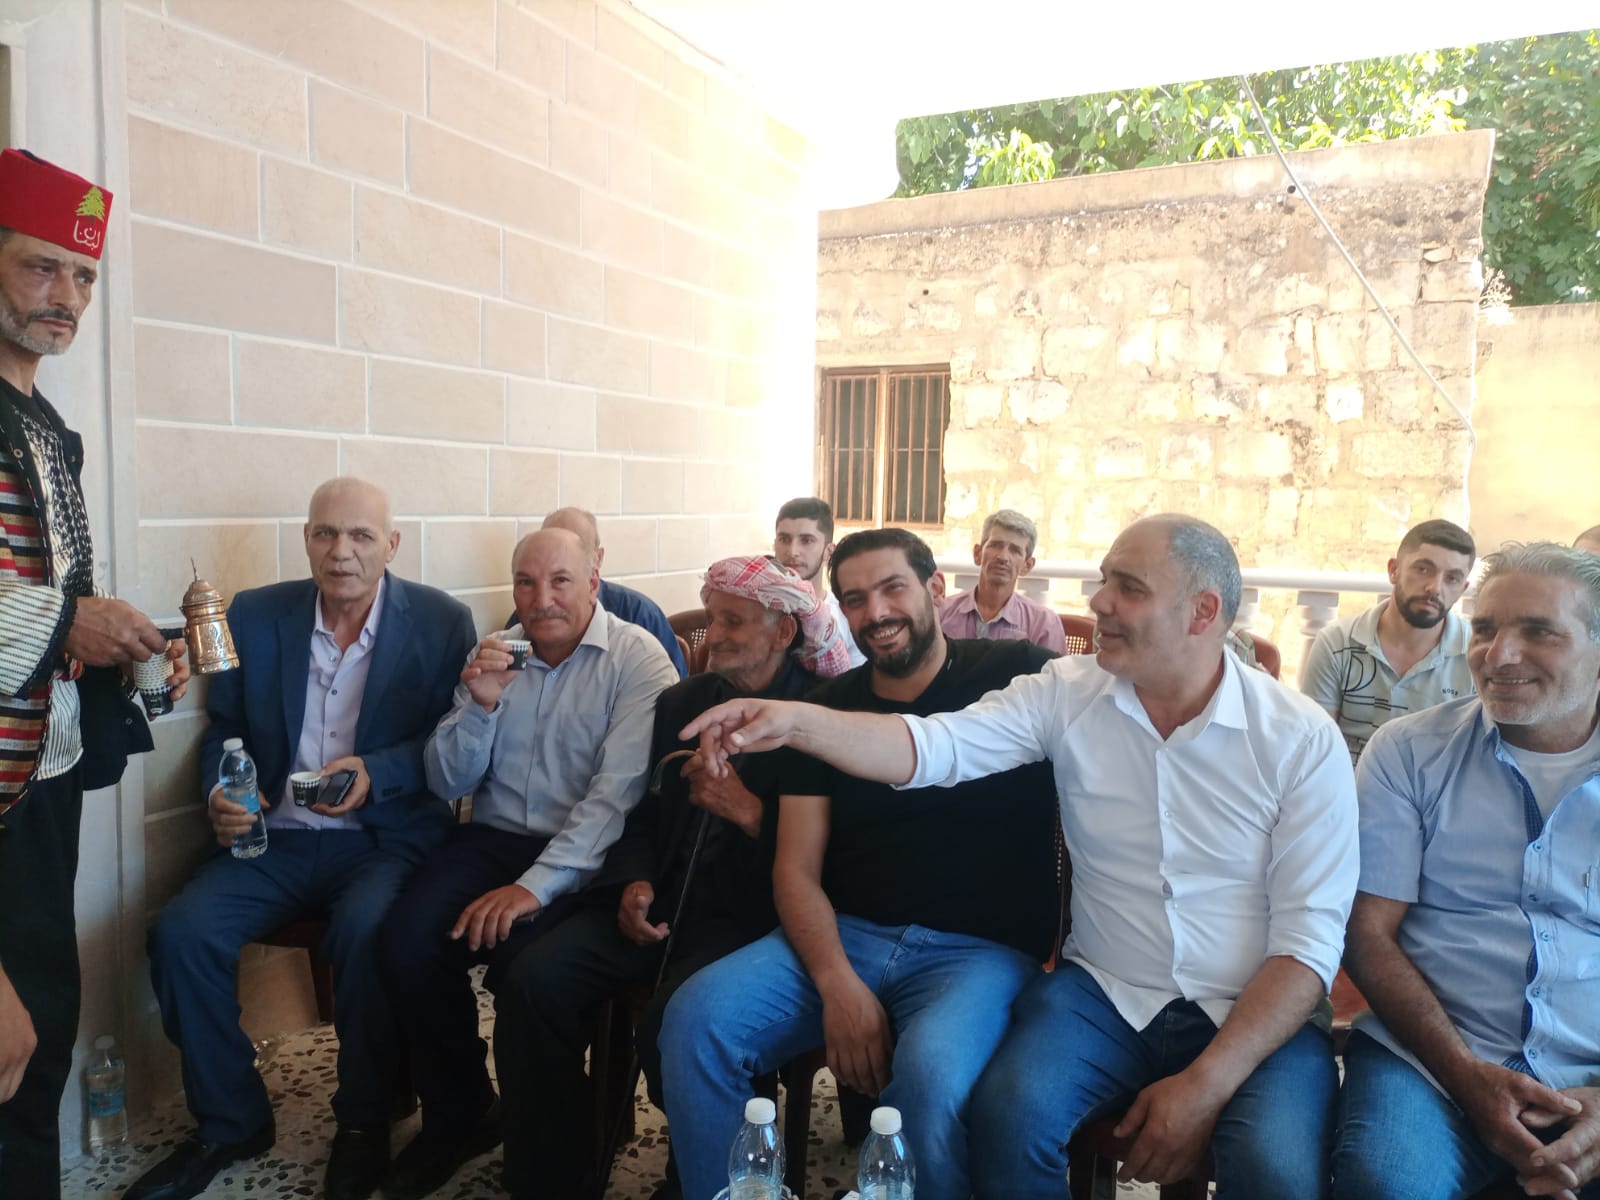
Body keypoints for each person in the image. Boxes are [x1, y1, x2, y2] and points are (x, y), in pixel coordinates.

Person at [683, 514, 1358, 1198]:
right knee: (1007, 1117)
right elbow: (934, 747)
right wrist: (794, 719)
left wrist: (1205, 1085)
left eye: (1128, 588)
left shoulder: (1299, 741)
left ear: (1202, 612)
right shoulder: (1068, 694)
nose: (1099, 602)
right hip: (1108, 995)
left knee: (1276, 1170)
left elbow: (1307, 947)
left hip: (1251, 1010)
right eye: (1104, 581)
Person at [662, 529, 1060, 1200]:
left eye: (892, 588)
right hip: (847, 933)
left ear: (936, 588)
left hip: (980, 953)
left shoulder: (1017, 673)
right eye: (853, 599)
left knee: (931, 1075)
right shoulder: (823, 712)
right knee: (695, 1021)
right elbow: (795, 868)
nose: (875, 612)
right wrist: (838, 984)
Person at [123, 478, 475, 1200]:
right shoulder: (256, 614)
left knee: (367, 931)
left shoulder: (443, 621)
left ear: (392, 545)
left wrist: (379, 772)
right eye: (325, 533)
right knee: (182, 933)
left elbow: (455, 741)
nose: (341, 552)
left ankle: (364, 1121)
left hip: (380, 839)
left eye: (361, 536)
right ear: (306, 538)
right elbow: (225, 728)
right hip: (273, 838)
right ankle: (231, 1120)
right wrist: (221, 793)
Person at [491, 555, 849, 1200]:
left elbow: (842, 854)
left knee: (676, 1019)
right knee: (533, 980)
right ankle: (552, 1175)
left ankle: (703, 1178)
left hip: (754, 919)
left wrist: (747, 811)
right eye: (713, 618)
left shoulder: (822, 714)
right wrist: (632, 884)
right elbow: (642, 812)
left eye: (734, 621)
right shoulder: (684, 700)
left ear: (783, 632)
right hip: (659, 901)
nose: (715, 635)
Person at [379, 527, 677, 1200]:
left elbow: (615, 799)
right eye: (525, 582)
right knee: (406, 942)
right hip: (492, 839)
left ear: (594, 582)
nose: (541, 599)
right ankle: (462, 1112)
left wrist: (532, 889)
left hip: (590, 854)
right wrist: (482, 703)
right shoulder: (497, 651)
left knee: (525, 977)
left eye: (560, 581)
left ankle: (558, 1163)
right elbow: (446, 780)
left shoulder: (637, 659)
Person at [0, 148, 190, 1199]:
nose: (65, 296)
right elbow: (48, 607)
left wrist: (126, 648)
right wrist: (71, 618)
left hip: (43, 775)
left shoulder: (47, 426)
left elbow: (57, 596)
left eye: (82, 276)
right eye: (40, 267)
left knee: (45, 1023)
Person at [1333, 542, 1600, 1200]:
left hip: (1591, 1068)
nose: (1498, 654)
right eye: (1484, 629)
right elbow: (1367, 931)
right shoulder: (1409, 752)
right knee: (1382, 1183)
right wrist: (1462, 1072)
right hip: (1432, 1060)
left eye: (1538, 632)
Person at [1301, 519, 1476, 764]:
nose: (1435, 588)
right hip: (1348, 783)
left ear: (1463, 588)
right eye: (1423, 569)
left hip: (1432, 787)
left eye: (1452, 579)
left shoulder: (1476, 654)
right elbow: (1316, 748)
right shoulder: (1336, 643)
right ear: (1394, 570)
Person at [505, 507, 686, 676]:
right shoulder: (528, 618)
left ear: (598, 558)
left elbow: (675, 690)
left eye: (560, 580)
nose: (543, 602)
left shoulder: (639, 614)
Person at [939, 508, 1068, 654]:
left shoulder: (1044, 624)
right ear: (978, 553)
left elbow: (1056, 669)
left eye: (1015, 550)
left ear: (1027, 565)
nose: (1003, 557)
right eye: (995, 545)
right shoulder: (942, 614)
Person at [775, 495, 865, 668]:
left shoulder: (845, 617)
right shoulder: (754, 607)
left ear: (829, 551)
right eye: (784, 539)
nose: (793, 551)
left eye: (806, 540)